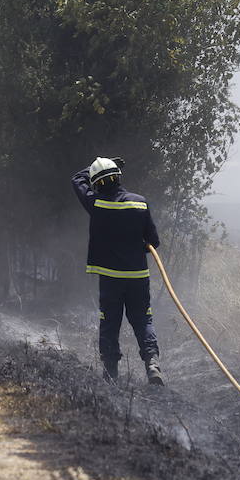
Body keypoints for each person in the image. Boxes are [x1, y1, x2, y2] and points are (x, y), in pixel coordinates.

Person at [71, 156, 164, 385]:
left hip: (111, 279)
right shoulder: (140, 203)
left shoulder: (96, 204)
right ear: (119, 177)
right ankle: (152, 364)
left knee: (110, 322)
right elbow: (153, 241)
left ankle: (111, 372)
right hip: (138, 277)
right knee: (143, 320)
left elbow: (77, 179)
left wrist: (103, 164)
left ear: (97, 183)